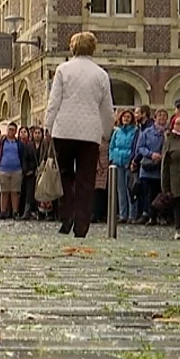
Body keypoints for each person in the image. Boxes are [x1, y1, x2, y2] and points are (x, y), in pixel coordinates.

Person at [44, 31, 114, 238]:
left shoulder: (63, 70)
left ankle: (66, 216)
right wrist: (106, 132)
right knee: (86, 180)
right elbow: (107, 108)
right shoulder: (101, 74)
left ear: (72, 47)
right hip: (90, 133)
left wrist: (48, 126)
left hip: (64, 130)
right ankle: (82, 225)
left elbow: (54, 101)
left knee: (64, 175)